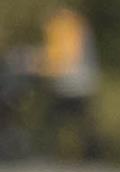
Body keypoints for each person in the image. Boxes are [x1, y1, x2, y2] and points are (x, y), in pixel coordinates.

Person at [35, 4, 98, 161]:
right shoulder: (72, 25)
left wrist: (41, 67)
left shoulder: (67, 27)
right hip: (78, 82)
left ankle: (89, 155)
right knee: (77, 121)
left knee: (59, 119)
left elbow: (65, 57)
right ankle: (91, 155)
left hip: (74, 83)